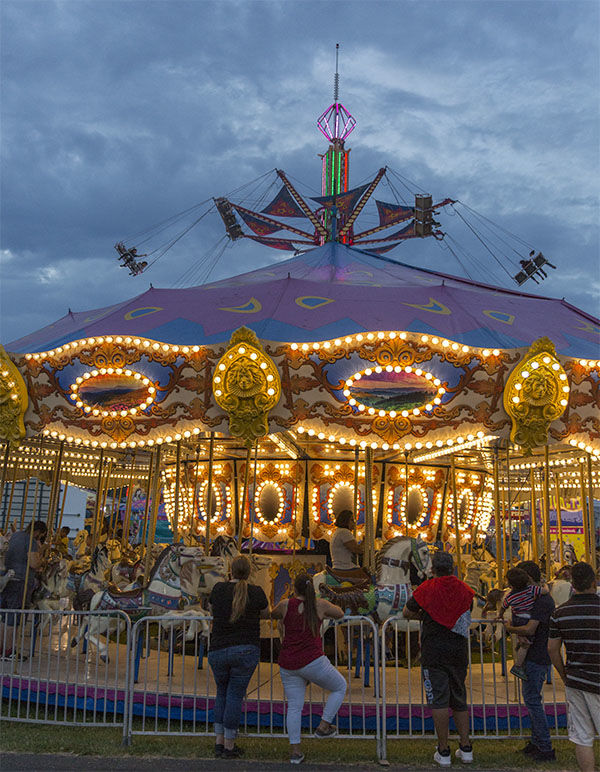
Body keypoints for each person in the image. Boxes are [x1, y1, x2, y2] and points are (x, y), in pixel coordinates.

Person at [403, 551, 474, 767]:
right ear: (453, 567)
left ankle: (443, 750)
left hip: (434, 650)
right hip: (458, 650)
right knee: (459, 697)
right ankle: (466, 747)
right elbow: (467, 610)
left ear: (433, 569)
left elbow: (407, 611)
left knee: (439, 699)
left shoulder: (428, 588)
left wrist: (425, 615)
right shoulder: (465, 589)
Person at [271, 573, 346, 765]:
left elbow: (273, 613)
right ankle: (324, 725)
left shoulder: (286, 605)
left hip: (288, 663)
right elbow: (340, 613)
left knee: (294, 706)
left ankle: (296, 752)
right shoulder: (319, 605)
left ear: (294, 588)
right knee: (339, 686)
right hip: (312, 660)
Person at [208, 555, 270, 759]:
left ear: (231, 571)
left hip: (218, 649)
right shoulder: (256, 592)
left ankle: (219, 742)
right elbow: (265, 613)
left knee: (221, 694)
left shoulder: (218, 589)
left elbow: (211, 610)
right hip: (245, 650)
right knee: (234, 695)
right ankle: (229, 745)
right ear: (250, 572)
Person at [548, 561, 599, 772]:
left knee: (582, 735)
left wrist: (564, 674)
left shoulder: (560, 613)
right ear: (594, 582)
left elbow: (552, 649)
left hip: (576, 679)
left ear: (573, 584)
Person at [502, 560, 556, 762]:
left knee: (533, 700)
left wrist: (510, 629)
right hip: (533, 653)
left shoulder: (542, 601)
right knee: (532, 698)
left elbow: (529, 629)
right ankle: (536, 741)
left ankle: (545, 746)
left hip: (537, 654)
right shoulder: (532, 597)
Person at [0, 520, 48, 659]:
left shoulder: (16, 535)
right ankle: (9, 650)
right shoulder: (31, 541)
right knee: (14, 617)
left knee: (4, 616)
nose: (40, 538)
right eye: (41, 536)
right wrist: (42, 560)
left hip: (7, 579)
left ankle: (1, 648)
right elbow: (34, 563)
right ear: (38, 532)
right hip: (21, 580)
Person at [497, 566, 549, 680]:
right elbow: (545, 591)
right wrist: (544, 585)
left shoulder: (509, 596)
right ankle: (518, 666)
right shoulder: (531, 590)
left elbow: (503, 607)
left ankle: (519, 650)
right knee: (526, 644)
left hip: (517, 619)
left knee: (523, 640)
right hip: (526, 618)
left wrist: (500, 615)